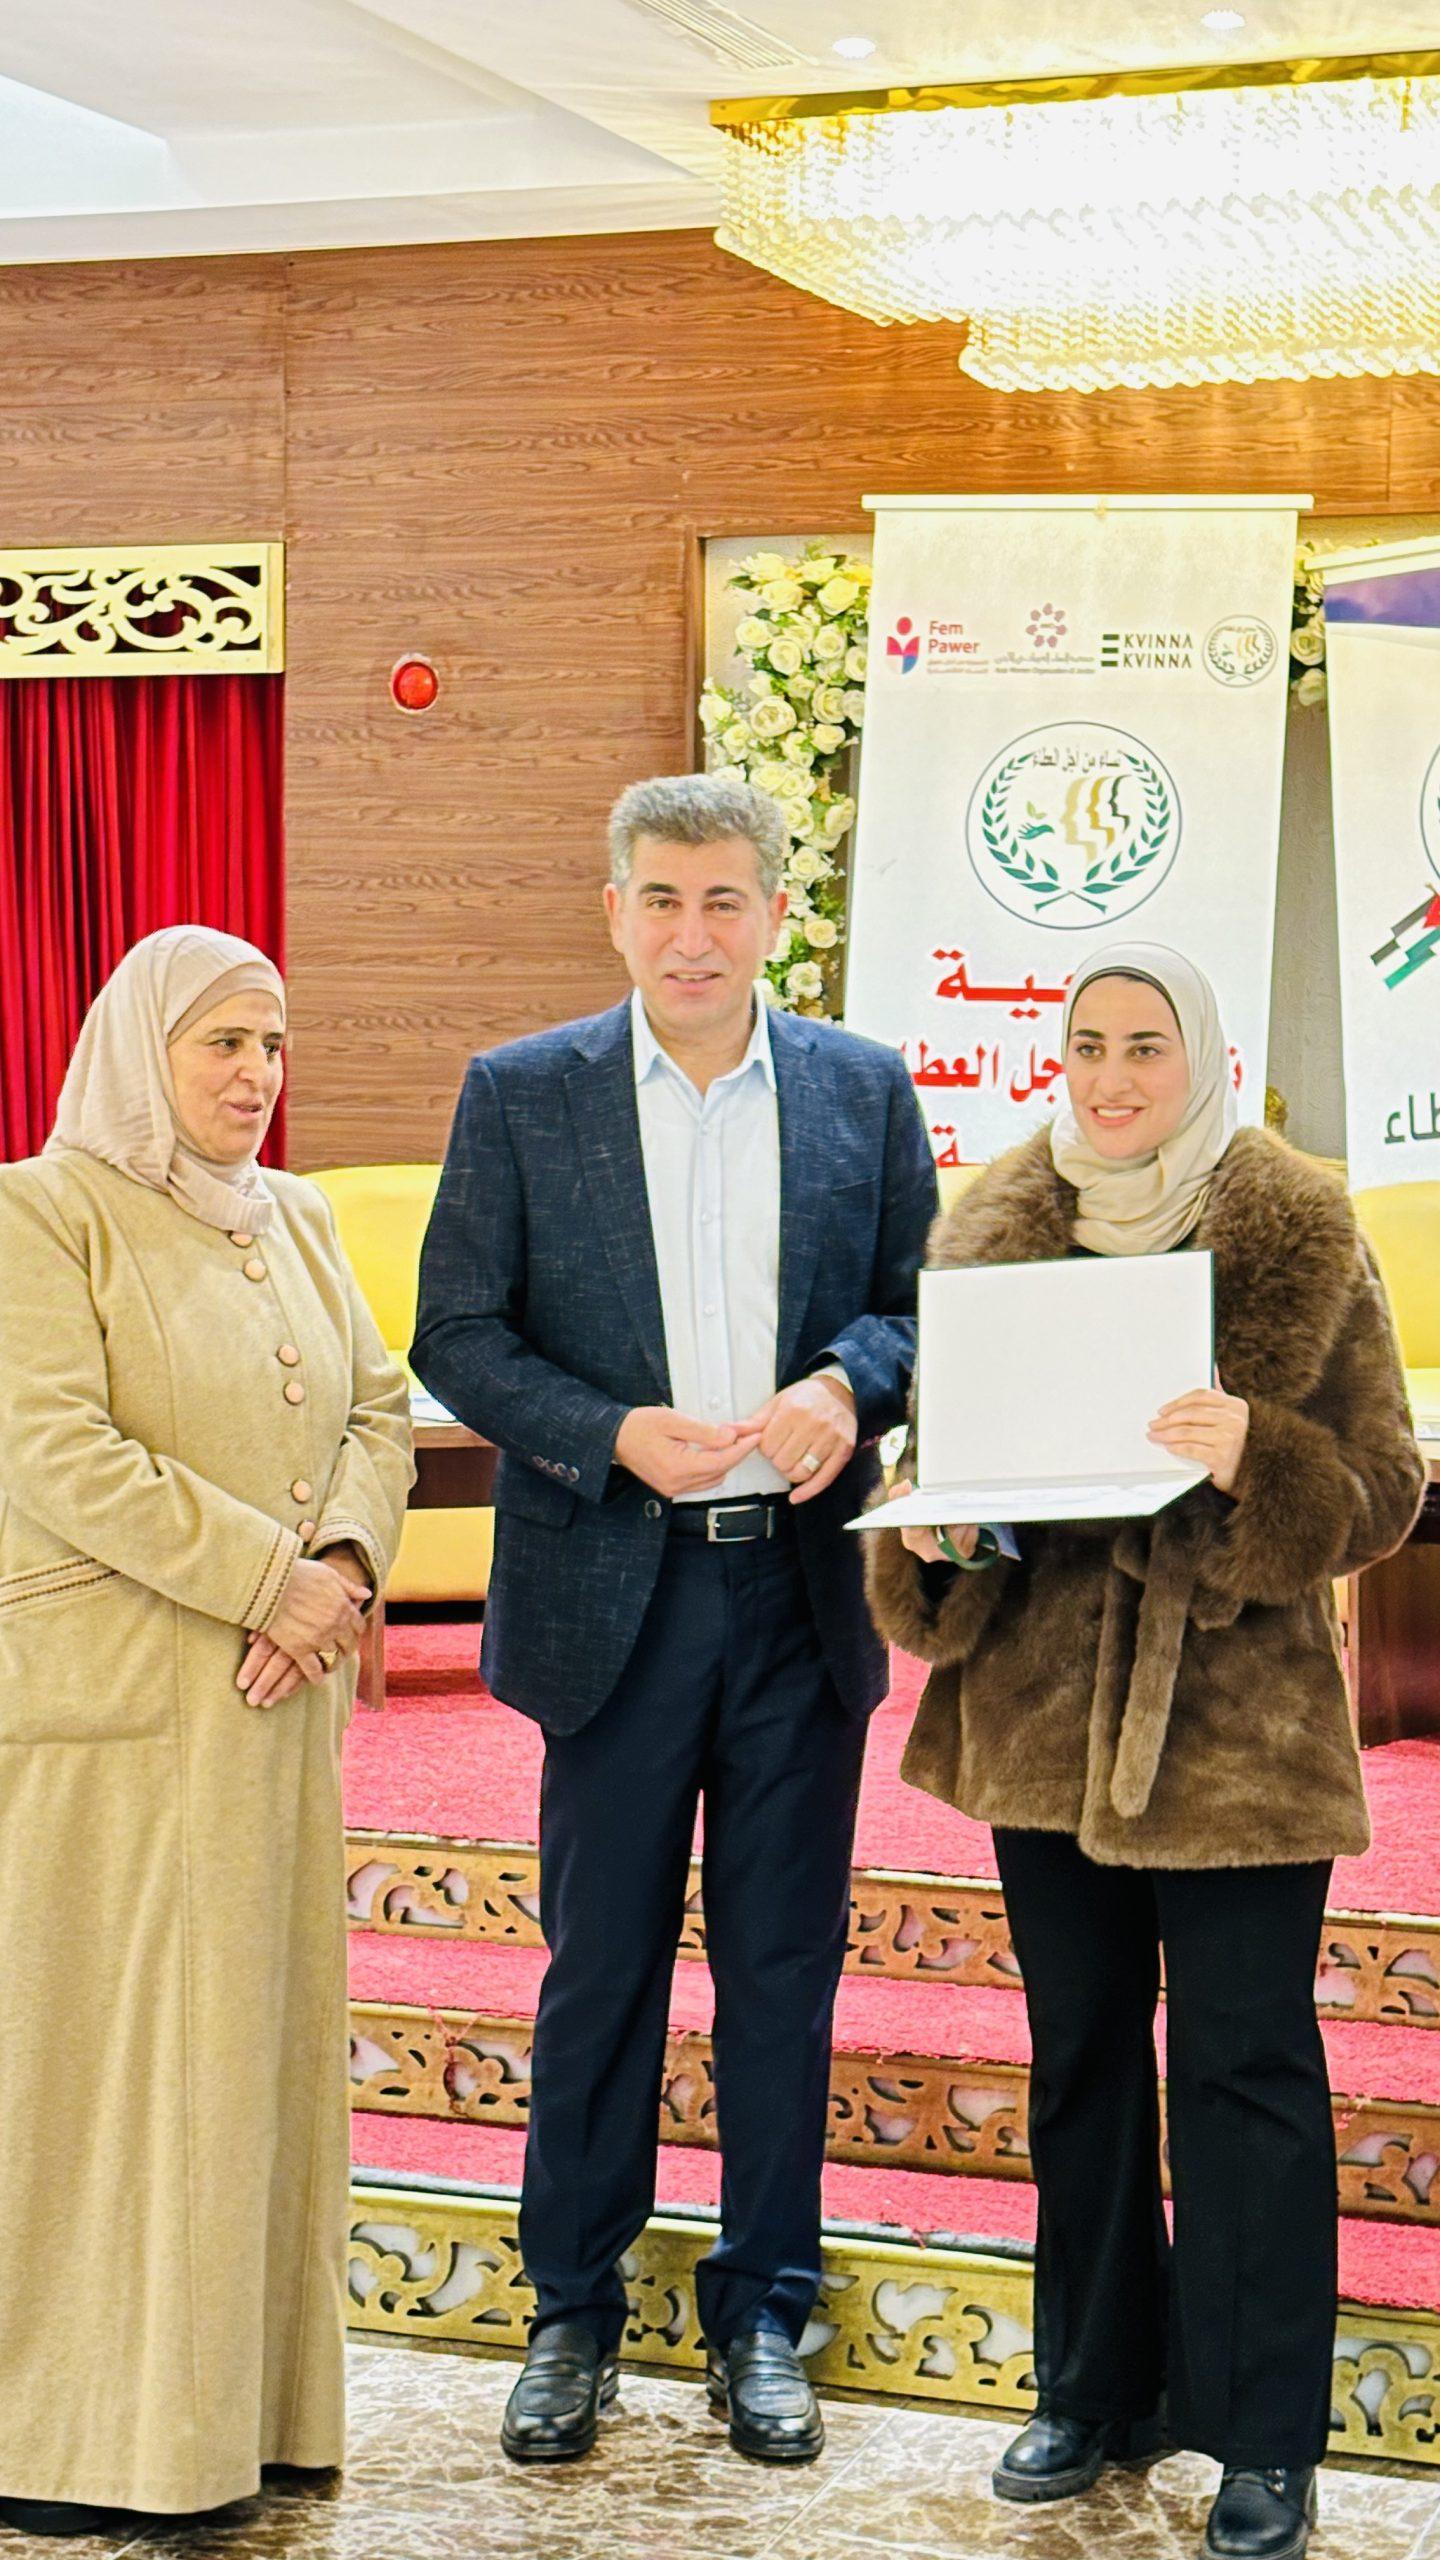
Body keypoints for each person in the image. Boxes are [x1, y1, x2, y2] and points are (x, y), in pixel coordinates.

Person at [866, 944, 1425, 2560]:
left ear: (1205, 1057)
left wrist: (1266, 1454)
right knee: (1083, 2059)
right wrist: (937, 1521)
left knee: (1249, 2071)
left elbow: (1388, 1489)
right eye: (1089, 1045)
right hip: (1040, 1729)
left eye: (1146, 1047)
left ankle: (1265, 2437)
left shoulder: (1303, 1228)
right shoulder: (995, 1224)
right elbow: (946, 1460)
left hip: (1236, 1737)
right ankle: (1090, 2387)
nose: (1112, 1079)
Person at [413, 773, 936, 2468]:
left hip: (798, 1594)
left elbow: (921, 1306)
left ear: (778, 914)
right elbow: (457, 1333)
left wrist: (846, 1386)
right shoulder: (524, 1091)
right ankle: (570, 2312)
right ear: (615, 911)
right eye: (662, 899)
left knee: (781, 1975)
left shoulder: (863, 1087)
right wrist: (606, 1431)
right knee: (602, 1971)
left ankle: (765, 2313)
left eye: (724, 900)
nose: (692, 934)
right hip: (609, 1595)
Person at [0, 927, 414, 2536]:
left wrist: (345, 1568)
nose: (256, 1075)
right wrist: (264, 1579)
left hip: (267, 1718)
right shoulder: (41, 1212)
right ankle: (74, 2441)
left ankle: (248, 2421)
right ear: (141, 1048)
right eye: (222, 1043)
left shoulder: (295, 1216)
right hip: (113, 1724)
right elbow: (51, 1447)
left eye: (273, 1044)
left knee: (254, 2070)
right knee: (105, 2076)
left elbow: (378, 1407)